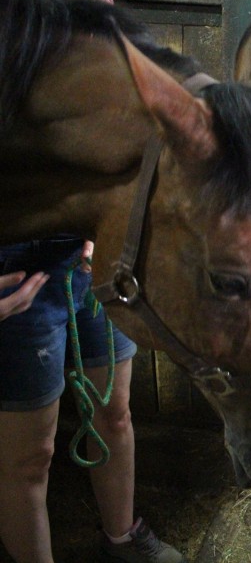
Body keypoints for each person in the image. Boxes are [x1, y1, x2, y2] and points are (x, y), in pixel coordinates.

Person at [0, 239, 185, 563]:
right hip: (11, 272)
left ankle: (122, 538)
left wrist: (107, 229)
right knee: (30, 459)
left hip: (88, 261)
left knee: (115, 414)